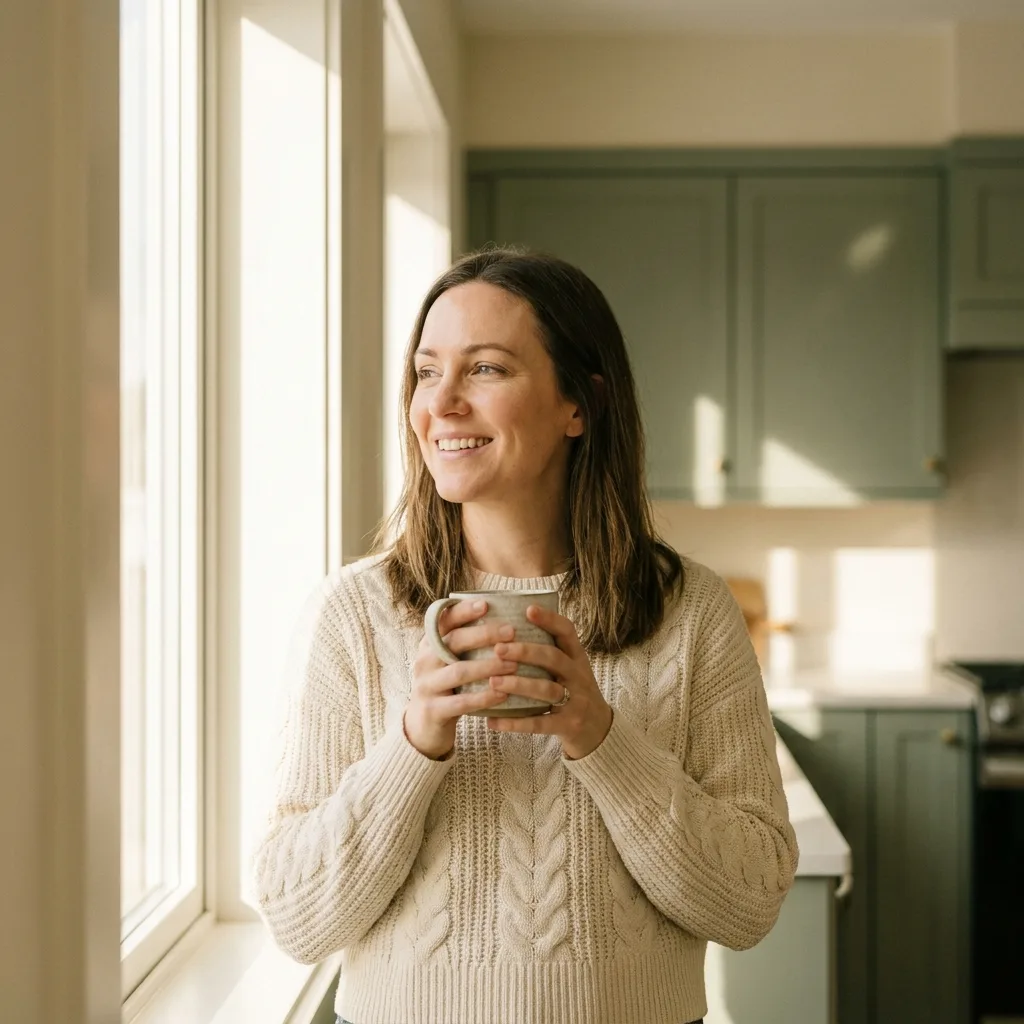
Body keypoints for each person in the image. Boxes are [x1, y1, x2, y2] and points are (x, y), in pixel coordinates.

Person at [252, 247, 799, 1024]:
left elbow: (749, 905)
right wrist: (414, 744)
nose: (440, 402)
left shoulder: (691, 611)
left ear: (578, 404)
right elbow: (298, 919)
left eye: (485, 370)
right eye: (426, 370)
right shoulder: (354, 612)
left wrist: (599, 737)